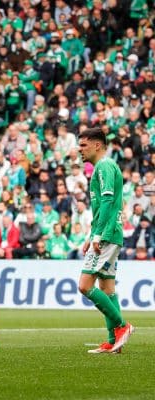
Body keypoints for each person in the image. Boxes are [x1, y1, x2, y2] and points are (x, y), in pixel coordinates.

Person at [77, 127, 134, 354]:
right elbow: (104, 206)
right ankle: (113, 341)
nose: (79, 150)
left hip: (108, 233)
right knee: (107, 287)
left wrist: (99, 235)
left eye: (83, 145)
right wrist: (91, 234)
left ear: (97, 145)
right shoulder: (103, 168)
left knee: (85, 285)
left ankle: (122, 326)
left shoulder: (104, 166)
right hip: (108, 232)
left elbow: (109, 203)